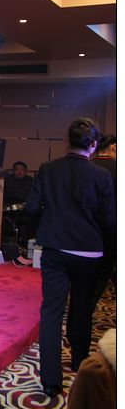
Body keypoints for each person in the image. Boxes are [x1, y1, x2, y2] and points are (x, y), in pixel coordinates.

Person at [24, 117, 115, 397]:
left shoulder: (48, 169)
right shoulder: (101, 175)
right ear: (93, 144)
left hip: (55, 248)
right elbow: (109, 220)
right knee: (81, 308)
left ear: (68, 141)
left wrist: (47, 227)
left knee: (51, 311)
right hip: (89, 251)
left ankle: (50, 381)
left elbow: (31, 208)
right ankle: (79, 362)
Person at [89, 134, 116, 314]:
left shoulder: (84, 167)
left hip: (82, 231)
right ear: (113, 147)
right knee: (102, 273)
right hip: (110, 231)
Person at [2, 161, 37, 250]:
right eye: (17, 169)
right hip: (9, 208)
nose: (20, 172)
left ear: (26, 172)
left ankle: (24, 244)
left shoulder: (30, 181)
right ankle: (6, 243)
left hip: (25, 208)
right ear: (13, 171)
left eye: (22, 170)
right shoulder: (7, 180)